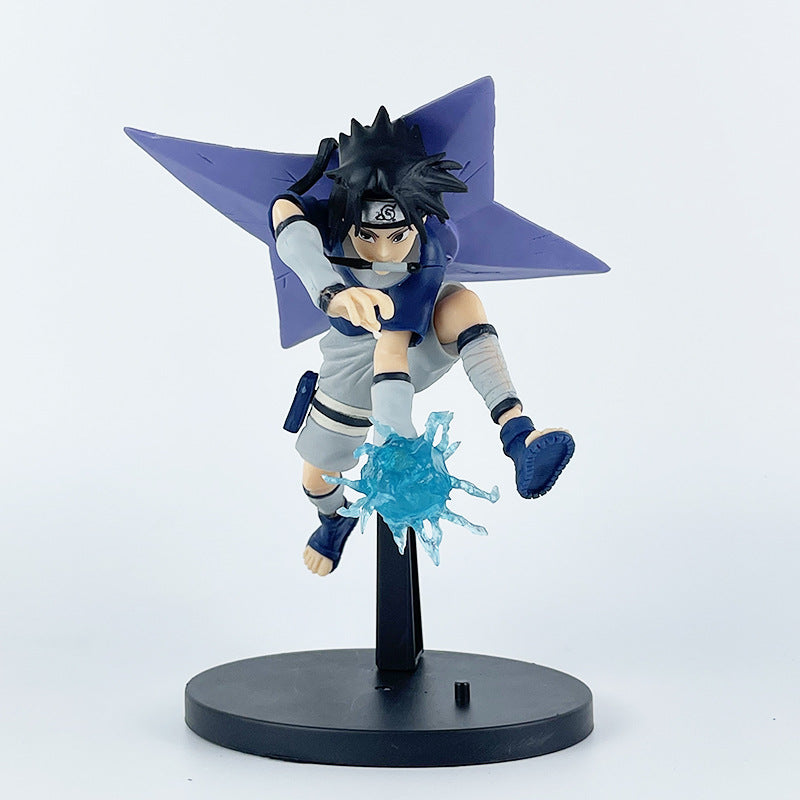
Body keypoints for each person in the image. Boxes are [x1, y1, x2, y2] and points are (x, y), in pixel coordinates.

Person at [271, 107, 575, 577]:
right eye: (368, 236)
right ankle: (333, 522)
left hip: (406, 354)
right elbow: (282, 211)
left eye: (399, 236)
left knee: (462, 302)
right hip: (346, 377)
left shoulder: (429, 251)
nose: (385, 253)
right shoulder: (333, 217)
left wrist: (396, 442)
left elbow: (392, 352)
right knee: (315, 480)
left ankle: (518, 434)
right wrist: (331, 291)